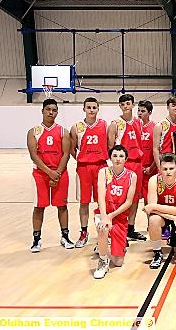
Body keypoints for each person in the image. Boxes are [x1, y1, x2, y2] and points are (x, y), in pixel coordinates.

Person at [27, 99, 72, 252]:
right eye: (48, 109)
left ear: (57, 112)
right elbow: (34, 155)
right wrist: (49, 173)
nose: (51, 112)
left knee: (62, 206)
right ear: (42, 111)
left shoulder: (63, 131)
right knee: (39, 207)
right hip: (40, 174)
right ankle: (36, 239)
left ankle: (65, 236)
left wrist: (57, 173)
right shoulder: (34, 131)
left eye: (54, 110)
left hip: (60, 173)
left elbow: (66, 154)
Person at [92, 145, 137, 279]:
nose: (118, 159)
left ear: (126, 159)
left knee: (118, 262)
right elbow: (100, 195)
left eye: (121, 156)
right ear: (110, 158)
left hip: (119, 216)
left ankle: (103, 246)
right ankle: (103, 260)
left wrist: (111, 216)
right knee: (103, 228)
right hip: (103, 212)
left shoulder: (131, 176)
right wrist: (105, 216)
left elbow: (129, 202)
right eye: (115, 156)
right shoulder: (104, 172)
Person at [70, 97, 108, 248]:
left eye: (94, 107)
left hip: (100, 166)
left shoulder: (104, 125)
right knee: (84, 202)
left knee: (102, 201)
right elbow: (72, 148)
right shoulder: (76, 127)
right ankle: (84, 232)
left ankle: (104, 232)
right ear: (84, 109)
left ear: (98, 109)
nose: (91, 110)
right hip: (84, 167)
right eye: (89, 107)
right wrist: (81, 158)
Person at [107, 94, 146, 241]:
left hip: (137, 163)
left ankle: (131, 228)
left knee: (135, 198)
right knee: (121, 197)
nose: (126, 106)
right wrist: (115, 165)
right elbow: (111, 147)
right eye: (123, 104)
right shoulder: (115, 124)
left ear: (133, 105)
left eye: (128, 103)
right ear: (120, 106)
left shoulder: (139, 122)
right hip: (123, 164)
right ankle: (118, 228)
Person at [143, 153, 176, 268]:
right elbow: (152, 209)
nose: (168, 172)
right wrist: (172, 217)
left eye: (171, 168)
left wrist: (174, 215)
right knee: (153, 220)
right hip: (164, 216)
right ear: (160, 169)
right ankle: (157, 253)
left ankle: (174, 239)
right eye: (165, 169)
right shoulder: (154, 180)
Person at [153, 95, 176, 171]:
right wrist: (159, 167)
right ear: (167, 107)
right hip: (165, 162)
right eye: (173, 105)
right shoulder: (160, 125)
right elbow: (155, 149)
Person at [138, 100, 156, 204]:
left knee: (148, 199)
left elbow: (158, 150)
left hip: (149, 168)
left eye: (143, 111)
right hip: (136, 167)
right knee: (131, 198)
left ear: (149, 112)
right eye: (139, 110)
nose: (140, 113)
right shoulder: (134, 126)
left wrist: (152, 167)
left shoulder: (154, 127)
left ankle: (150, 220)